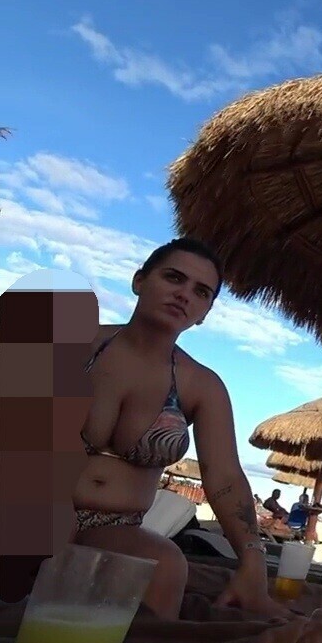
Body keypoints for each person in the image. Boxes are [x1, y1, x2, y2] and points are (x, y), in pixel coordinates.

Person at [73, 238, 286, 621]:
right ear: (139, 280)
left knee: (165, 565)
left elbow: (224, 477)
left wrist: (253, 562)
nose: (184, 294)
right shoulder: (75, 346)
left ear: (204, 313)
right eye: (174, 277)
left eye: (201, 292)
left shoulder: (200, 385)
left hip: (115, 526)